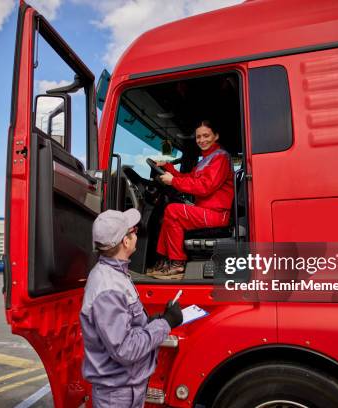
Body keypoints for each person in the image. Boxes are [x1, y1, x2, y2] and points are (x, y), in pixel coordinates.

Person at [80, 208, 183, 408]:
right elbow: (125, 350)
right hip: (117, 394)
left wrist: (150, 323)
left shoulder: (114, 274)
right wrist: (165, 324)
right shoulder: (108, 288)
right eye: (133, 230)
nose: (137, 234)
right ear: (125, 242)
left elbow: (124, 327)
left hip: (125, 388)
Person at [148, 120, 234, 279]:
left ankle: (177, 264)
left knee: (172, 211)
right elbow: (188, 177)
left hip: (216, 214)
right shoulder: (205, 160)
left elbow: (204, 186)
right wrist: (168, 167)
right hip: (206, 211)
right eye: (198, 137)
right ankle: (163, 260)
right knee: (169, 215)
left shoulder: (220, 158)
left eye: (206, 135)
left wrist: (173, 181)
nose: (202, 140)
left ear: (216, 136)